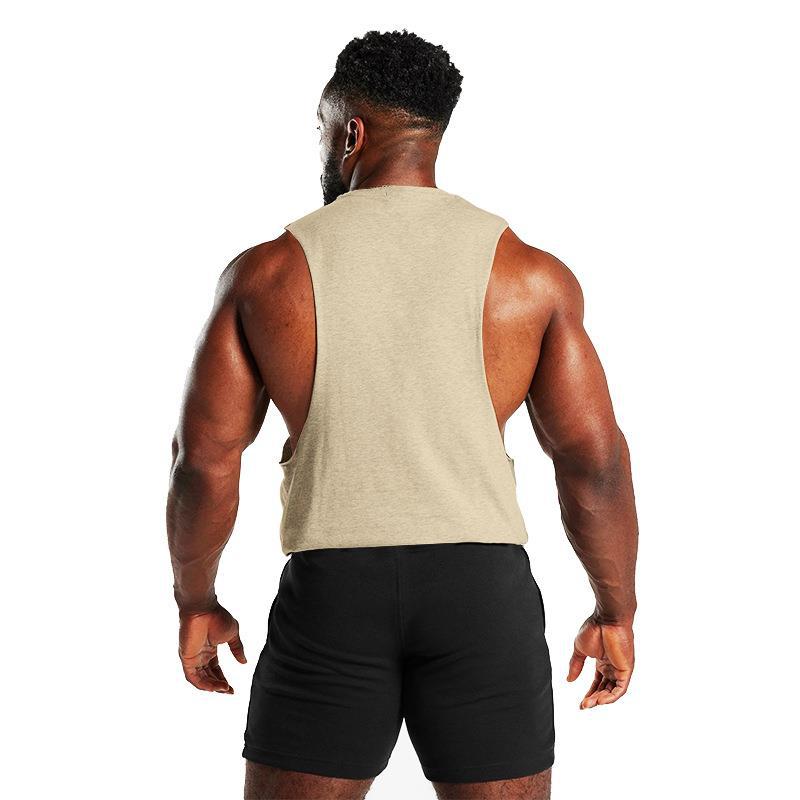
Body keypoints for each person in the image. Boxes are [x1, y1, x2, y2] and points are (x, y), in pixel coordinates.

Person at [166, 29, 638, 800]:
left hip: (333, 593)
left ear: (351, 133)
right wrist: (614, 609)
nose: (323, 144)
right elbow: (596, 462)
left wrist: (196, 599)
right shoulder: (529, 274)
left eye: (323, 127)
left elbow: (203, 460)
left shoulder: (266, 273)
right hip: (481, 593)